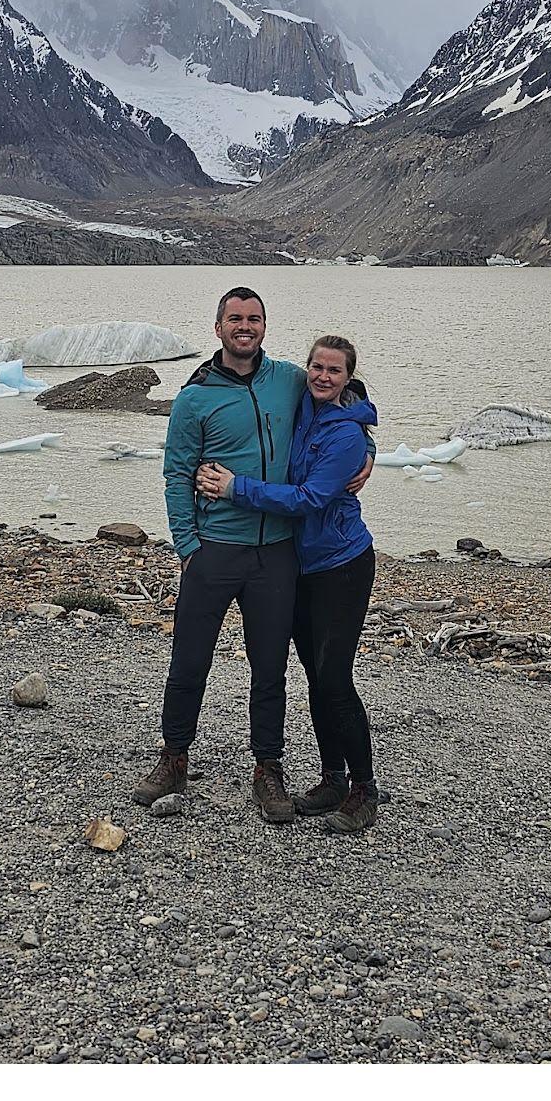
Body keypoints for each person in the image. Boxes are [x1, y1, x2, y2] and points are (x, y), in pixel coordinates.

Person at [138, 287, 368, 824]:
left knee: (270, 670)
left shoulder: (288, 379)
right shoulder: (195, 397)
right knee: (189, 661)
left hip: (277, 553)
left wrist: (370, 451)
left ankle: (268, 770)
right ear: (218, 327)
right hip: (215, 549)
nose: (246, 326)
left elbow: (345, 403)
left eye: (255, 318)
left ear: (265, 326)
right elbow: (177, 473)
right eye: (235, 318)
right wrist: (188, 546)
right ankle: (174, 757)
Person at [197, 332, 381, 834]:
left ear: (347, 378)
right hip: (301, 565)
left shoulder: (344, 434)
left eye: (334, 371)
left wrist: (236, 488)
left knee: (335, 677)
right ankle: (332, 778)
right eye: (317, 367)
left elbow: (307, 499)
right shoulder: (305, 402)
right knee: (317, 677)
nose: (323, 377)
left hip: (342, 564)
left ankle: (364, 788)